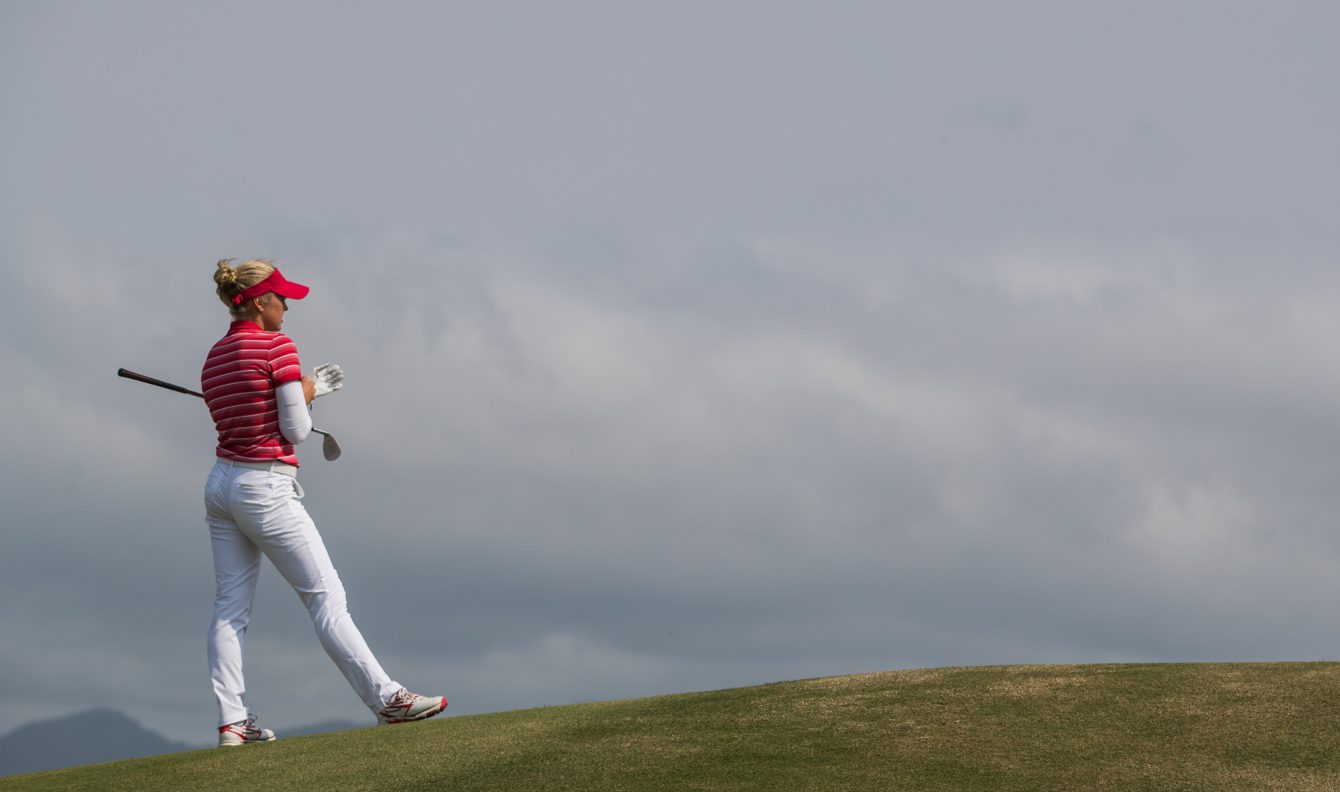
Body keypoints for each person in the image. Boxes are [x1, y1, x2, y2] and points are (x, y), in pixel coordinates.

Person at [202, 258, 446, 747]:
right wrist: (308, 390)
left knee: (230, 609)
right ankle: (388, 699)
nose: (287, 306)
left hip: (222, 486)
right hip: (265, 488)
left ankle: (233, 722)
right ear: (258, 302)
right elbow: (294, 430)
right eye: (281, 298)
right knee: (327, 601)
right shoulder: (277, 347)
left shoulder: (215, 355)